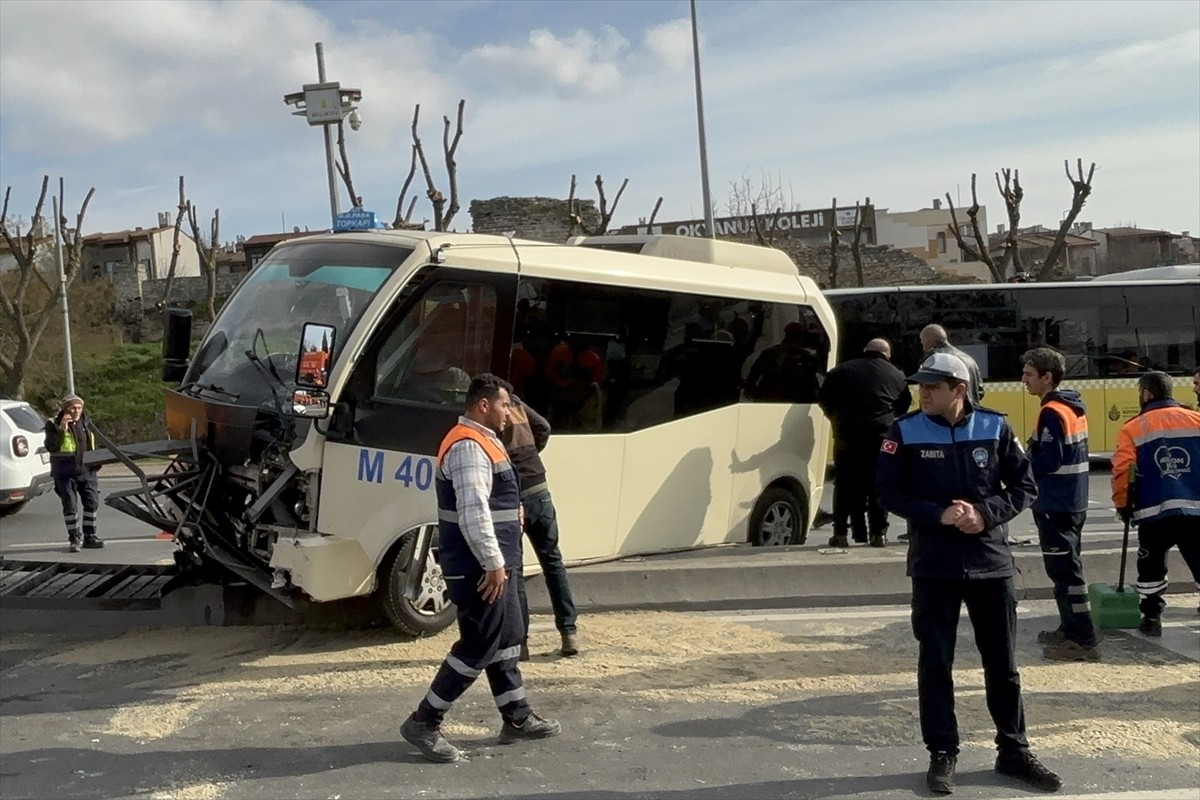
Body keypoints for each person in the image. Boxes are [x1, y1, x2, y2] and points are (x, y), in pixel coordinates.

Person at [876, 352, 1061, 795]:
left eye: (933, 387)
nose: (923, 393)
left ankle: (1013, 750)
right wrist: (936, 514)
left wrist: (984, 513)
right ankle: (943, 751)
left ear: (959, 390)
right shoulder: (903, 431)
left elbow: (1025, 486)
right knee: (936, 661)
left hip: (990, 562)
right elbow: (886, 490)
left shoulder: (995, 426)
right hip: (934, 564)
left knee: (1003, 664)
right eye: (921, 386)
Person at [400, 374, 560, 763]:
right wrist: (493, 563)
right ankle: (425, 720)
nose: (511, 413)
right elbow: (473, 513)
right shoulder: (470, 446)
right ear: (484, 405)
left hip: (492, 563)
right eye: (505, 405)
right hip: (477, 567)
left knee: (508, 635)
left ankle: (516, 716)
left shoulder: (486, 442)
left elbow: (492, 502)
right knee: (479, 644)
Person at [1019, 348, 1099, 661]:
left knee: (1065, 570)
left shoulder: (1052, 411)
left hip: (1056, 501)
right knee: (1065, 567)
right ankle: (1069, 627)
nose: (1023, 380)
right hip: (1072, 500)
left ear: (1046, 377)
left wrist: (1022, 469)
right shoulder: (1071, 406)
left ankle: (1083, 637)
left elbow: (1051, 459)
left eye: (1028, 374)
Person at [1110, 371, 1200, 635]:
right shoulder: (1196, 420)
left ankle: (1151, 617)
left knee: (1151, 565)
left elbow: (1123, 471)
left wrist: (1123, 505)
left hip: (1154, 513)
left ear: (1146, 394)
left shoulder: (1133, 428)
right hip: (1195, 511)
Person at [502, 392, 580, 659]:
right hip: (539, 485)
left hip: (514, 495)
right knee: (553, 562)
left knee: (517, 570)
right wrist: (532, 453)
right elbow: (543, 427)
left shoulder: (491, 412)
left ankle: (520, 642)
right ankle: (569, 632)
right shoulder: (515, 402)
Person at [818, 338, 911, 548]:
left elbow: (824, 398)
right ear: (887, 355)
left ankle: (840, 533)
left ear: (865, 351)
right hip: (881, 438)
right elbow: (902, 406)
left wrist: (837, 418)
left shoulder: (841, 370)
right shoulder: (896, 375)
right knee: (878, 483)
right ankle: (878, 534)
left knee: (844, 484)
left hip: (847, 436)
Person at [43, 394, 103, 553]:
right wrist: (61, 430)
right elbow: (51, 446)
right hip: (64, 473)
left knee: (92, 503)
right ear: (65, 409)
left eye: (79, 407)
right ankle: (75, 538)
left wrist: (96, 463)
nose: (76, 411)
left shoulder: (86, 422)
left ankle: (90, 536)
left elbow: (92, 444)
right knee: (70, 506)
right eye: (73, 408)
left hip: (86, 470)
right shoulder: (53, 424)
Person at [744, 322, 820, 403]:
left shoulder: (807, 358)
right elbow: (753, 377)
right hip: (770, 400)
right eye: (791, 337)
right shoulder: (770, 354)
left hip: (796, 402)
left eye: (796, 338)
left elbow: (812, 381)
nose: (793, 342)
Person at [920, 324, 984, 407]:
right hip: (971, 413)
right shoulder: (969, 359)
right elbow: (980, 391)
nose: (923, 349)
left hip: (946, 414)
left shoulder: (934, 358)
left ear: (929, 340)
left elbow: (928, 387)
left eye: (923, 343)